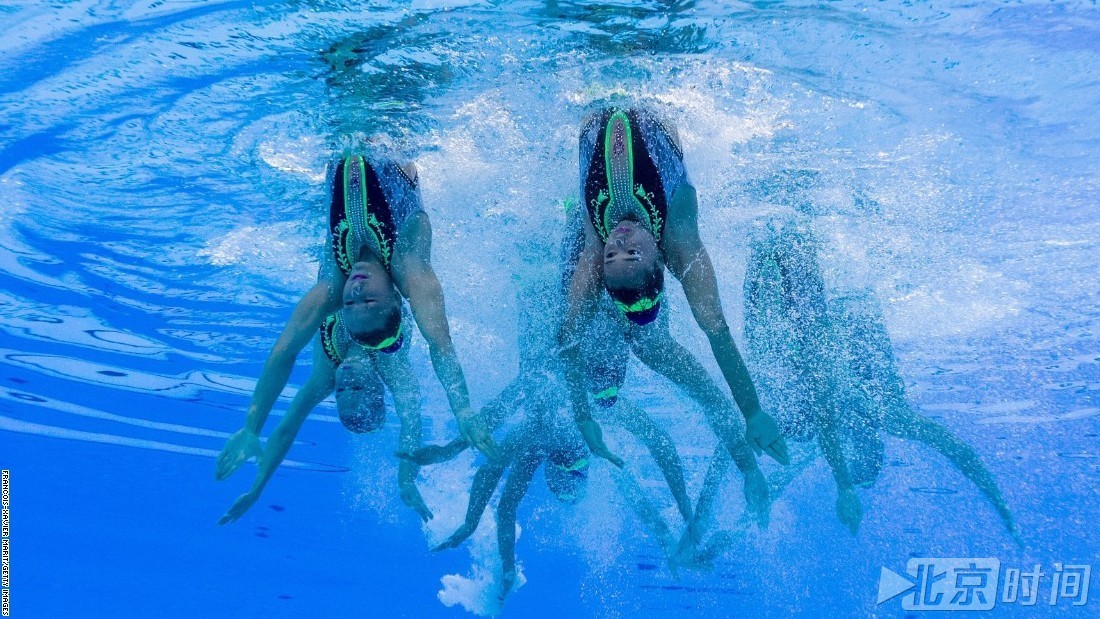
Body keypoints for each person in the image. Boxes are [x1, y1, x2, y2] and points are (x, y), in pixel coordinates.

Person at [215, 154, 499, 519]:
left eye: (341, 391)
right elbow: (434, 360)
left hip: (337, 146)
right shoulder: (406, 267)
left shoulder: (333, 300)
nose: (346, 381)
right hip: (393, 135)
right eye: (359, 389)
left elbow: (284, 368)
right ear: (394, 298)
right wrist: (457, 414)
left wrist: (252, 434)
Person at [557, 105, 790, 525]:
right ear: (658, 262)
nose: (621, 240)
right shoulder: (678, 246)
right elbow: (716, 347)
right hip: (651, 97)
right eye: (629, 252)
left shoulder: (594, 263)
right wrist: (752, 419)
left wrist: (582, 416)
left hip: (590, 102)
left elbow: (568, 341)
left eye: (616, 254)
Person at [743, 221, 1019, 542]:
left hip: (837, 319)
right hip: (847, 315)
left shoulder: (841, 418)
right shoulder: (885, 414)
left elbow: (795, 460)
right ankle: (785, 237)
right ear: (866, 438)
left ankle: (780, 238)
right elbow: (958, 451)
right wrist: (1000, 506)